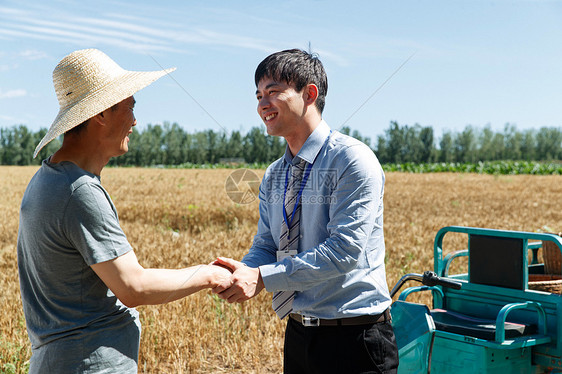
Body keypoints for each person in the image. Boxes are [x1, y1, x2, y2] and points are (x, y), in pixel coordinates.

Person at [17, 49, 231, 373]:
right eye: (130, 107)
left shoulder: (47, 179)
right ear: (101, 113)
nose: (134, 121)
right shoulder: (79, 191)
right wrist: (208, 273)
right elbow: (133, 287)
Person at [213, 49, 399, 373]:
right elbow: (266, 244)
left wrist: (261, 277)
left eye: (273, 92)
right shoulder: (274, 174)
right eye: (258, 96)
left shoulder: (351, 160)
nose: (262, 104)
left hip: (356, 340)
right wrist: (242, 272)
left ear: (309, 93)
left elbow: (343, 252)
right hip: (299, 334)